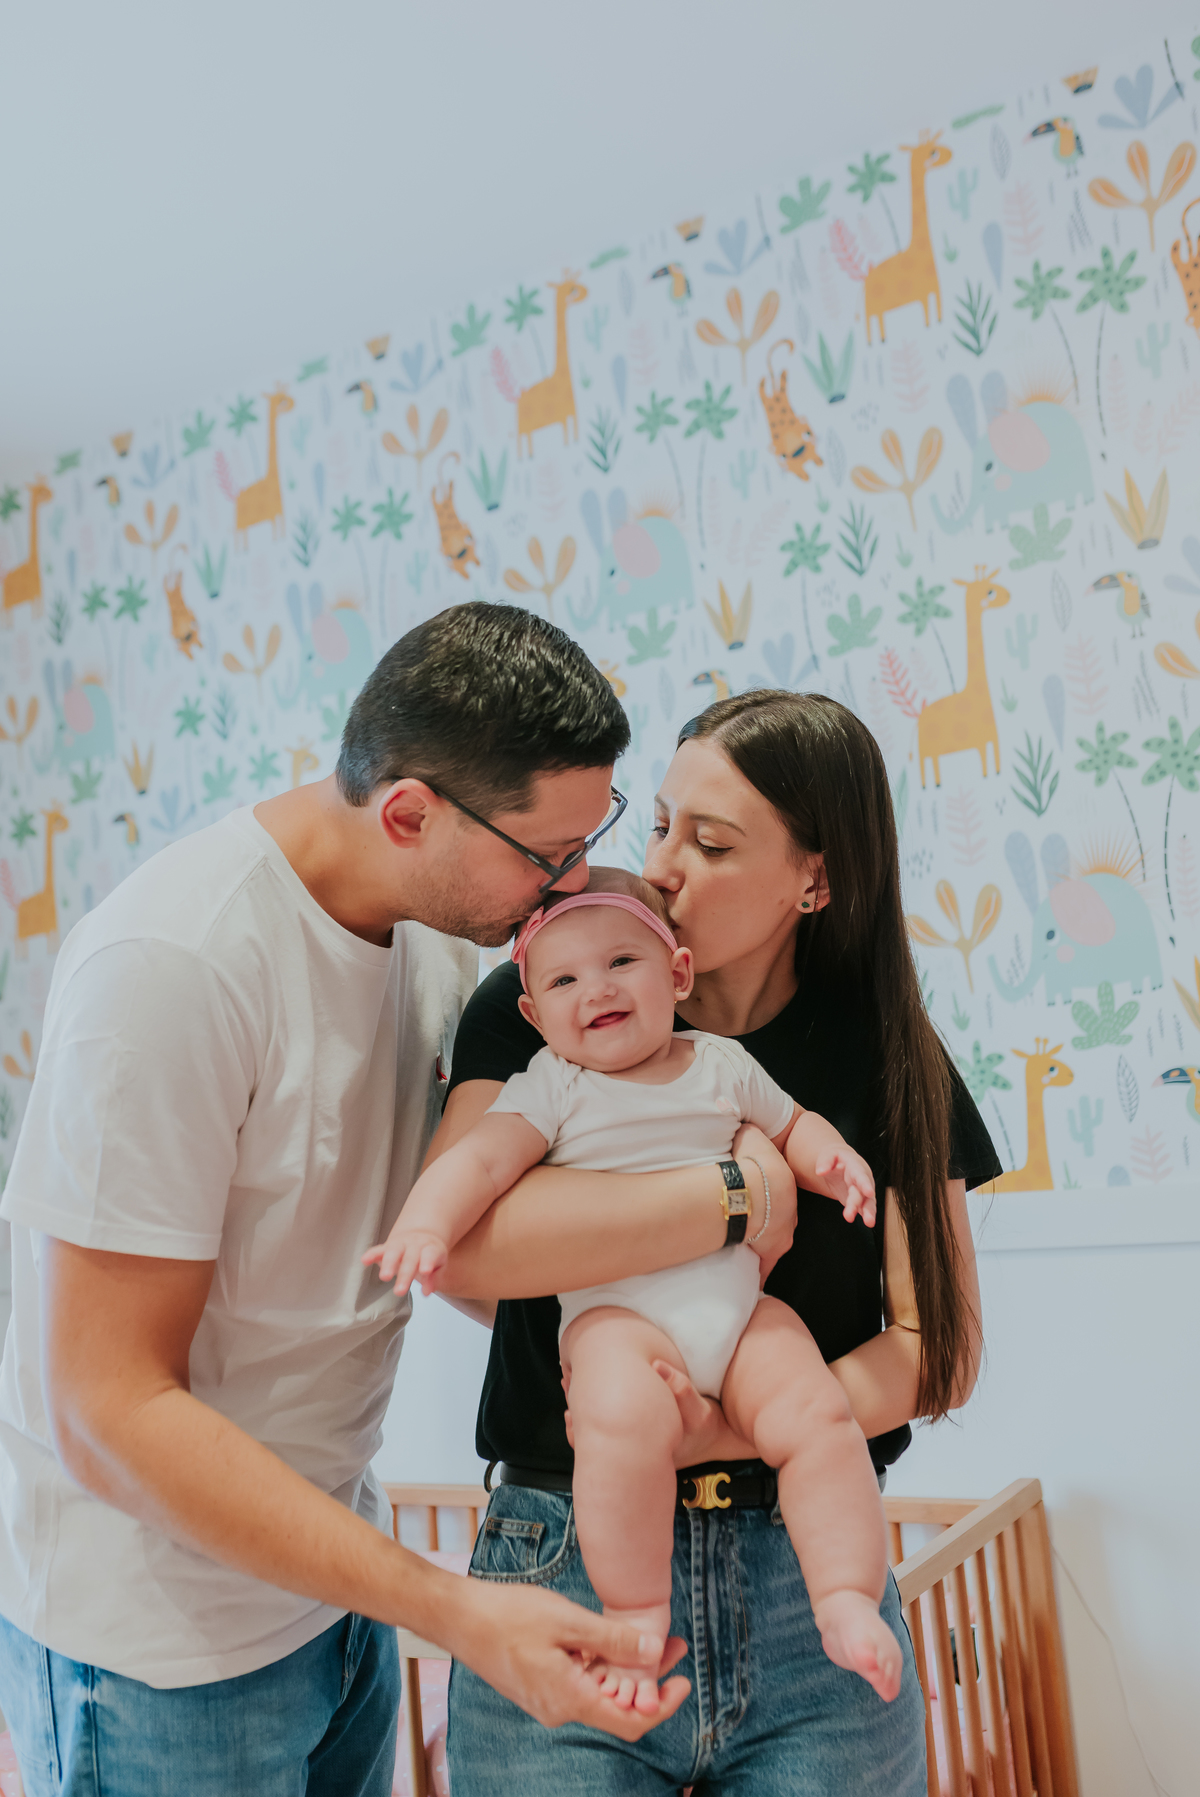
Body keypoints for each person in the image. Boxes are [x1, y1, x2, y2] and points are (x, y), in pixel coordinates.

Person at [0, 604, 694, 1797]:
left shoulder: (436, 936)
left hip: (330, 1587)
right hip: (160, 1654)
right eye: (548, 856)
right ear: (410, 813)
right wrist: (451, 1609)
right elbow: (106, 1407)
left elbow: (440, 1239)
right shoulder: (172, 968)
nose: (573, 884)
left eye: (592, 839)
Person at [433, 690, 1002, 1796]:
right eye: (659, 826)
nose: (661, 869)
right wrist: (736, 1197)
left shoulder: (886, 1050)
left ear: (814, 880)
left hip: (811, 1569)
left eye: (712, 842)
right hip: (564, 1559)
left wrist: (717, 1428)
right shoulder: (546, 999)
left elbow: (938, 1350)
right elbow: (465, 1248)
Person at [368, 873, 902, 1714]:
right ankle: (635, 1614)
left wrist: (832, 1162)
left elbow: (794, 1125)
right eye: (565, 978)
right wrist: (427, 1226)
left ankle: (843, 1596)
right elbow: (478, 1163)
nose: (599, 988)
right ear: (534, 1012)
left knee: (819, 1415)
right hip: (619, 1319)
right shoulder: (551, 1084)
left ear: (678, 973)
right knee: (619, 1425)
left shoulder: (721, 1063)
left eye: (622, 961)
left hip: (741, 1312)